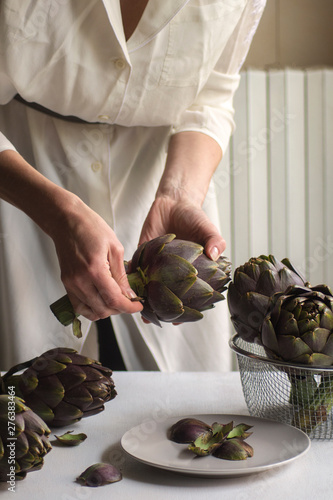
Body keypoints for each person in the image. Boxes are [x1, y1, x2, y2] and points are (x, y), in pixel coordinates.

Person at [0, 0, 266, 371]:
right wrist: (57, 212)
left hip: (160, 174)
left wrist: (180, 194)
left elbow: (212, 95)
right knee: (22, 409)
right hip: (20, 175)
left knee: (178, 406)